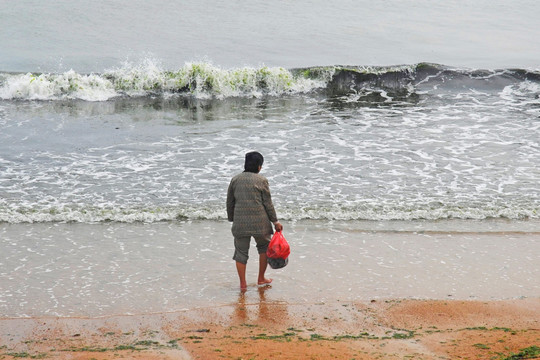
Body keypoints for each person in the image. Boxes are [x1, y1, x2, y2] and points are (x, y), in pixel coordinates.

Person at [226, 151, 283, 291]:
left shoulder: (235, 179)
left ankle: (243, 284)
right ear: (259, 167)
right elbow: (267, 204)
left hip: (240, 223)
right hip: (260, 223)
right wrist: (275, 222)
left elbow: (230, 202)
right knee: (263, 249)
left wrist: (232, 218)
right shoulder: (262, 180)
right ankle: (261, 278)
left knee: (240, 253)